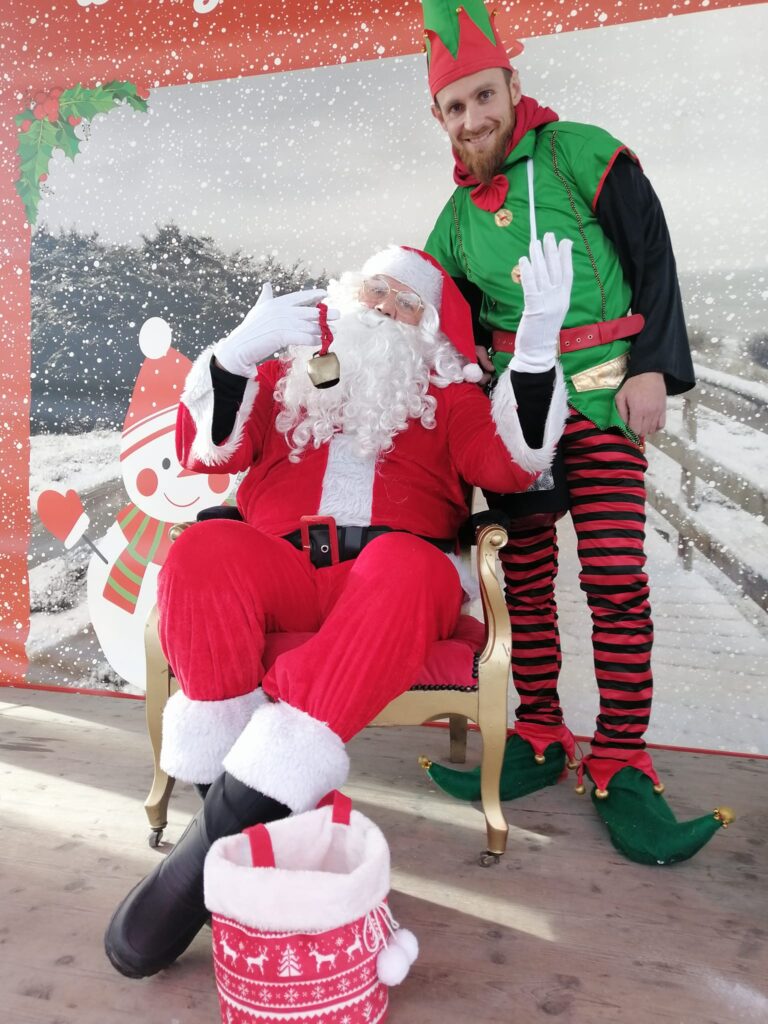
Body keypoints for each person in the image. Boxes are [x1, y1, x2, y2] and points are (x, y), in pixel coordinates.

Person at [105, 238, 573, 978]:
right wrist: (234, 357)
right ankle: (244, 819)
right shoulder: (285, 376)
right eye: (376, 290)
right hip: (284, 566)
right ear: (349, 295)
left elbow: (513, 466)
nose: (385, 308)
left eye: (406, 302)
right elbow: (208, 454)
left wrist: (539, 348)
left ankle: (206, 855)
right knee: (202, 551)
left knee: (410, 564)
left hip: (391, 581)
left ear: (429, 331)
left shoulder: (448, 396)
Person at [419, 0, 733, 863]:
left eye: (485, 96)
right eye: (455, 106)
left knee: (615, 579)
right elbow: (442, 321)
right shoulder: (452, 221)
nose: (474, 119)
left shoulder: (580, 153)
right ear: (440, 119)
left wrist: (652, 367)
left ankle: (622, 756)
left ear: (512, 86)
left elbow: (652, 254)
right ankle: (541, 733)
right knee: (522, 586)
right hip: (521, 420)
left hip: (601, 401)